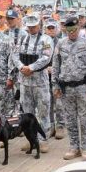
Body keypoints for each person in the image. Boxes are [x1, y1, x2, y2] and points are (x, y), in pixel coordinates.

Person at [52, 17, 86, 160]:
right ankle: (74, 147)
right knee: (70, 119)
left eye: (74, 30)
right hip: (66, 88)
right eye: (69, 31)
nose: (71, 33)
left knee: (85, 119)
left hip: (82, 87)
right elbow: (55, 66)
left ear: (79, 28)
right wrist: (55, 85)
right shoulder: (60, 44)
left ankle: (85, 148)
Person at [11, 13, 52, 153]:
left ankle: (43, 139)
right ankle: (31, 139)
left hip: (40, 83)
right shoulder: (22, 38)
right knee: (27, 114)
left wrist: (31, 67)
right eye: (29, 27)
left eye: (34, 26)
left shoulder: (46, 39)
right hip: (25, 82)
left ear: (39, 25)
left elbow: (46, 57)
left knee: (43, 111)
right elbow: (15, 54)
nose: (32, 29)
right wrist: (21, 67)